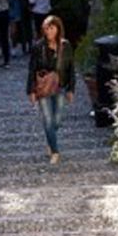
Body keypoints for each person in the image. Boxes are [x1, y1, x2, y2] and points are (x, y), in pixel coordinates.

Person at [27, 13, 76, 164]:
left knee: (57, 120)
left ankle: (50, 140)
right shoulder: (38, 47)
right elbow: (31, 69)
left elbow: (71, 69)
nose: (49, 32)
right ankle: (55, 152)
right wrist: (31, 90)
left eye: (52, 28)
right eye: (46, 28)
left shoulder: (65, 46)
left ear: (57, 29)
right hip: (43, 87)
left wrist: (71, 89)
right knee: (48, 120)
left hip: (60, 86)